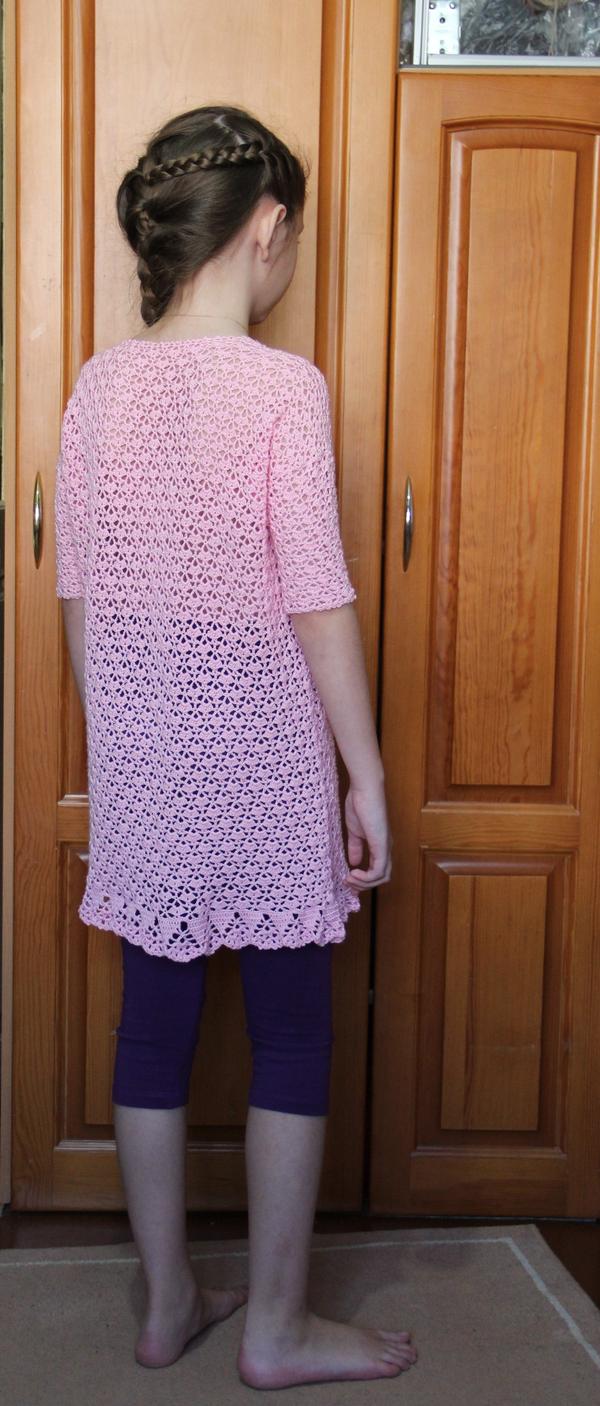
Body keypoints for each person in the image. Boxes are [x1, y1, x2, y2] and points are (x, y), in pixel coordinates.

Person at [54, 103, 417, 1389]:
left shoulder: (97, 386)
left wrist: (125, 747)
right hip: (265, 762)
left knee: (150, 1029)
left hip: (145, 759)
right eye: (295, 237)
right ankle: (274, 1324)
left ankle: (167, 1305)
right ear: (269, 227)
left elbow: (80, 600)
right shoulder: (282, 389)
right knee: (293, 1030)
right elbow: (317, 596)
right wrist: (365, 772)